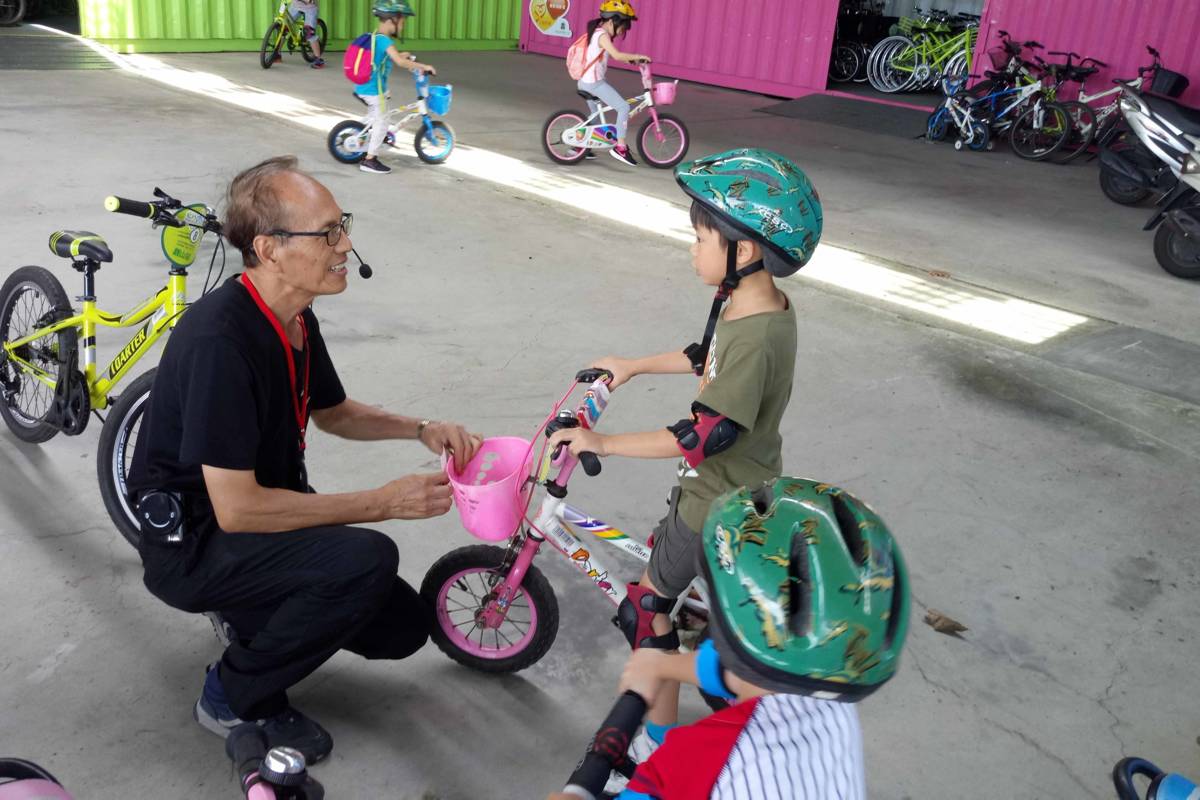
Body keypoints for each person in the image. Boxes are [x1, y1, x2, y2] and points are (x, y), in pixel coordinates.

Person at [127, 155, 481, 764]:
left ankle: (256, 615)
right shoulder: (220, 341)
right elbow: (236, 510)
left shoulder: (293, 316)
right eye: (328, 233)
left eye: (342, 224)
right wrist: (383, 504)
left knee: (401, 629)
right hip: (197, 541)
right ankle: (232, 693)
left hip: (253, 517)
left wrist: (422, 429)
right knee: (367, 557)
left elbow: (335, 412)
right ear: (269, 249)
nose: (345, 244)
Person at [547, 148, 823, 787]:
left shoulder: (755, 333)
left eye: (699, 238)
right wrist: (633, 363)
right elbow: (709, 357)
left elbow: (702, 436)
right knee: (676, 590)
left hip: (712, 504)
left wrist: (600, 442)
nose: (692, 250)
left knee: (646, 611)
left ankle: (659, 746)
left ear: (745, 250)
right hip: (747, 490)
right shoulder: (757, 305)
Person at [548, 477, 911, 799]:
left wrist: (577, 791)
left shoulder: (697, 762)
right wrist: (663, 665)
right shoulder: (833, 710)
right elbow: (740, 671)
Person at [355, 1, 438, 175]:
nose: (403, 25)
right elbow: (399, 62)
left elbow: (389, 57)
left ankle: (363, 136)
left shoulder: (377, 37)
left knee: (378, 115)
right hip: (373, 89)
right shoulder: (385, 40)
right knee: (383, 120)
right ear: (392, 20)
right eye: (402, 21)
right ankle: (369, 160)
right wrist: (423, 66)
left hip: (369, 87)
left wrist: (404, 56)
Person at [577, 0, 650, 166]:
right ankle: (620, 147)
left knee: (594, 120)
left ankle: (579, 148)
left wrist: (632, 61)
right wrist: (637, 55)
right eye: (622, 27)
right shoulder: (602, 36)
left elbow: (611, 56)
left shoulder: (597, 33)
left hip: (586, 81)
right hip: (593, 83)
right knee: (623, 107)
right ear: (611, 21)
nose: (622, 31)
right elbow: (617, 55)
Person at [289, 0, 325, 68]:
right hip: (295, 6)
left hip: (310, 8)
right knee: (284, 26)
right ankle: (276, 53)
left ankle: (318, 59)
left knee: (309, 33)